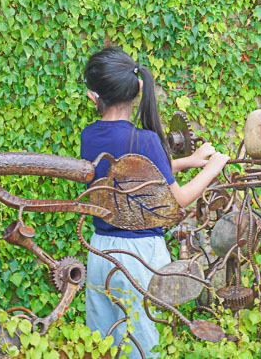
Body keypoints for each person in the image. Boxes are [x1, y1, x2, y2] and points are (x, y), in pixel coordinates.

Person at [80, 47, 230, 358]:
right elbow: (178, 199)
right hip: (139, 259)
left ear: (94, 97)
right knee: (141, 344)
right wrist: (213, 168)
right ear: (136, 91)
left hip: (100, 250)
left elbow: (125, 174)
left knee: (101, 343)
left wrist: (187, 161)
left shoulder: (89, 136)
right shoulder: (145, 140)